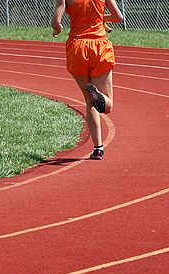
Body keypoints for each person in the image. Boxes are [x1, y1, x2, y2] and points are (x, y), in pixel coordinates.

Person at [52, 0, 123, 160]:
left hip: (77, 48)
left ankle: (98, 148)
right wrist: (101, 18)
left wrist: (57, 29)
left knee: (89, 101)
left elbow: (56, 21)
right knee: (107, 105)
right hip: (99, 47)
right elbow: (118, 17)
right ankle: (99, 96)